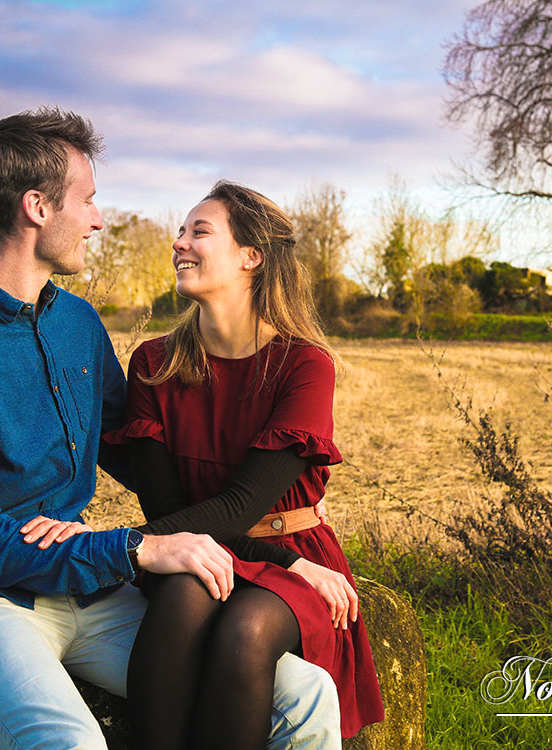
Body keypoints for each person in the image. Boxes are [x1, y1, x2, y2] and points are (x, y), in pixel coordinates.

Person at [0, 107, 341, 750]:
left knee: (305, 696)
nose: (98, 218)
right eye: (88, 200)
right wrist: (132, 549)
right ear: (37, 207)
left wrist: (286, 554)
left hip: (83, 590)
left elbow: (154, 469)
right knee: (74, 744)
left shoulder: (77, 325)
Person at [99, 181, 386, 748]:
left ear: (251, 256)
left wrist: (107, 550)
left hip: (295, 561)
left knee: (245, 631)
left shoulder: (304, 366)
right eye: (180, 231)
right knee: (183, 591)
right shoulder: (155, 363)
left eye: (198, 231)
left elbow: (238, 509)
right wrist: (143, 547)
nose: (179, 243)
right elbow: (169, 514)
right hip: (200, 543)